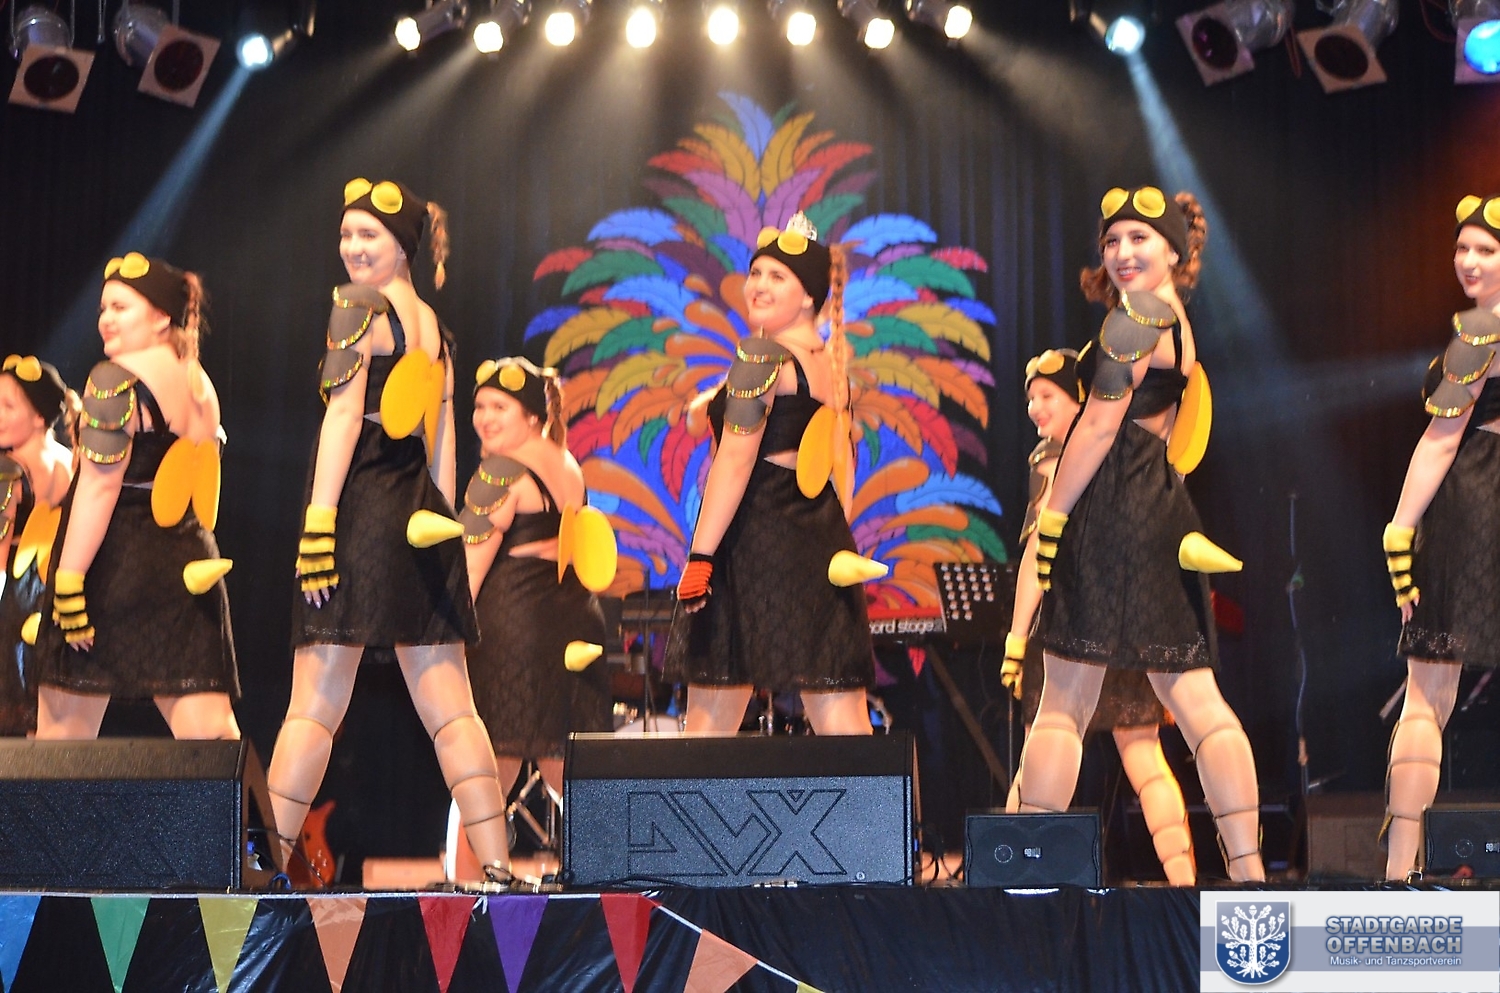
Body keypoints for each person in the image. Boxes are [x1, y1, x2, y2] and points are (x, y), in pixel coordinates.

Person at [1009, 186, 1264, 881]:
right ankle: (1250, 875)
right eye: (1111, 241)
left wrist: (1054, 515)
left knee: (1062, 707)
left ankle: (1023, 875)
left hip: (1110, 514)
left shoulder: (1139, 316)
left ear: (1175, 251)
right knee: (1199, 704)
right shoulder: (1177, 320)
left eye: (1139, 238)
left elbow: (1096, 428)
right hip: (1161, 512)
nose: (1122, 252)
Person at [265, 178, 510, 878]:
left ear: (402, 246)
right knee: (452, 710)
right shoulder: (436, 328)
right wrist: (448, 525)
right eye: (346, 233)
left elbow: (345, 417)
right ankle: (498, 866)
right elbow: (444, 441)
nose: (351, 246)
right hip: (419, 515)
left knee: (314, 704)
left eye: (368, 234)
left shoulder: (357, 306)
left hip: (361, 508)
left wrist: (319, 523)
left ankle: (258, 872)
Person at [666, 212, 878, 735]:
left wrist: (700, 557)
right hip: (819, 540)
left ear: (807, 296)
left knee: (707, 730)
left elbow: (735, 461)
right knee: (846, 726)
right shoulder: (830, 366)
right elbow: (839, 470)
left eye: (777, 276)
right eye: (755, 273)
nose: (758, 285)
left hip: (756, 539)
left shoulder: (761, 355)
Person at [1003, 348, 1195, 885]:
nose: (1035, 408)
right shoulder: (1131, 447)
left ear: (1081, 397)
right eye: (1031, 399)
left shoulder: (1056, 459)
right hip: (1129, 617)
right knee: (1143, 755)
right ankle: (1185, 884)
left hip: (1074, 620)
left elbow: (1037, 551)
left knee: (1047, 748)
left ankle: (1010, 880)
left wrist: (1017, 639)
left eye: (1048, 395)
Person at [33, 255, 240, 740]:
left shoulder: (115, 378)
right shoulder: (200, 381)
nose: (105, 319)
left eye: (121, 307)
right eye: (103, 308)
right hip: (186, 561)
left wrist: (69, 579)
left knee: (61, 741)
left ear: (161, 316)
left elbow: (99, 487)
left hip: (113, 563)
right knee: (211, 739)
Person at [1381, 194, 1500, 881]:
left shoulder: (1479, 329)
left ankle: (1398, 873)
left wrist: (1399, 527)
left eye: (1486, 249)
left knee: (1427, 692)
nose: (1468, 261)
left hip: (1474, 499)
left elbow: (1442, 437)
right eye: (1462, 247)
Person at [456, 356, 612, 872]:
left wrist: (446, 633)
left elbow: (467, 573)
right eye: (479, 406)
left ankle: (466, 894)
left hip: (515, 631)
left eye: (499, 407)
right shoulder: (567, 464)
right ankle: (605, 878)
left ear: (531, 416)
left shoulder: (499, 473)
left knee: (483, 772)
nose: (484, 418)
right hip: (574, 623)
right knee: (566, 768)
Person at [0, 355, 74, 735]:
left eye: (8, 406)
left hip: (15, 598)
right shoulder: (74, 463)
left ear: (40, 416)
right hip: (56, 594)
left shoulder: (8, 471)